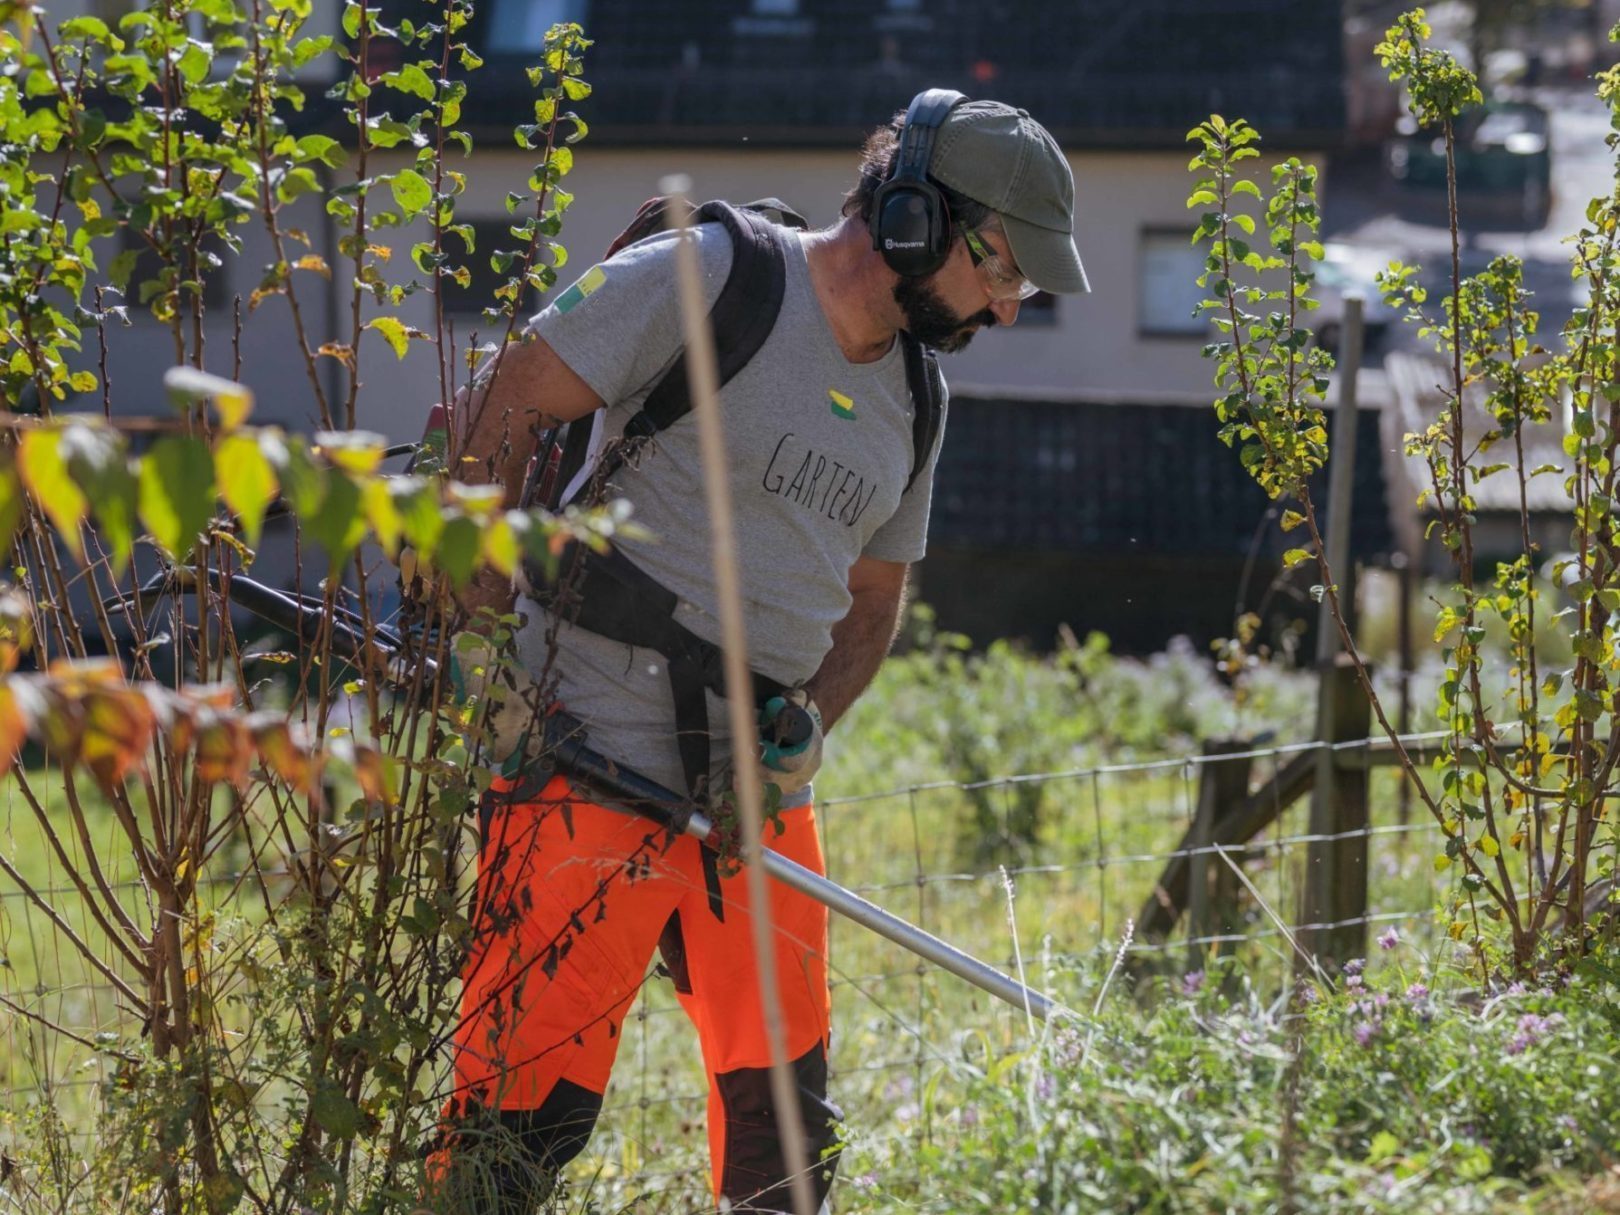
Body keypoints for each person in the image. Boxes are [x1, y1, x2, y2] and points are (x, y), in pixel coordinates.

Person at [437, 91, 1088, 1213]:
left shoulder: (918, 400)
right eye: (1002, 271)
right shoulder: (711, 279)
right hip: (582, 752)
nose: (1008, 309)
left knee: (785, 1134)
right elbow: (497, 412)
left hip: (753, 793)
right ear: (914, 222)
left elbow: (874, 604)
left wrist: (800, 734)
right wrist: (486, 650)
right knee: (517, 1130)